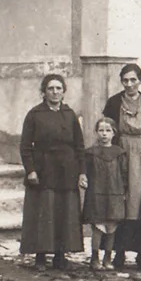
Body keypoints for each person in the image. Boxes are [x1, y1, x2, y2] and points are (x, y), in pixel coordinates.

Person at [19, 73, 85, 270]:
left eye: (58, 88)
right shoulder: (35, 114)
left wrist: (81, 171)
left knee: (64, 212)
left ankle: (60, 256)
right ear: (44, 92)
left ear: (64, 92)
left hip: (67, 171)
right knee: (44, 212)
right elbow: (25, 146)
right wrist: (31, 170)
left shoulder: (70, 114)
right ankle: (40, 256)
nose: (55, 92)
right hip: (44, 169)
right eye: (51, 88)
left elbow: (79, 145)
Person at [102, 62, 141, 271]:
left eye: (133, 80)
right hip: (119, 156)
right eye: (125, 80)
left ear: (140, 81)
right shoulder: (113, 102)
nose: (129, 84)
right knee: (120, 201)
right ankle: (118, 253)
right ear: (121, 81)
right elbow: (105, 127)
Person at [82, 116, 127, 270]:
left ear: (114, 133)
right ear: (96, 132)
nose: (104, 134)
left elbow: (124, 173)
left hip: (114, 194)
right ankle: (94, 259)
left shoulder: (119, 153)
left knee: (111, 227)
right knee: (98, 227)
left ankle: (107, 259)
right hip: (96, 194)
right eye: (101, 130)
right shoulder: (90, 153)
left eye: (108, 130)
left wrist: (124, 192)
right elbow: (85, 171)